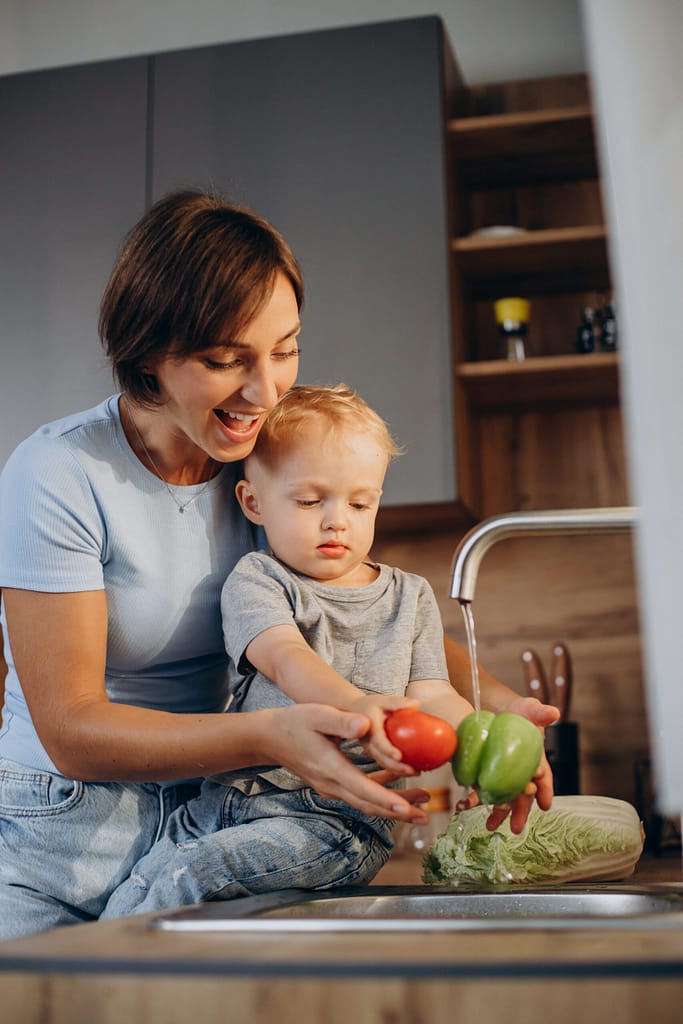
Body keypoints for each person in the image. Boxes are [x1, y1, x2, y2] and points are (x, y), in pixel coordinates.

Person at [0, 189, 557, 940]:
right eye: (225, 359)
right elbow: (72, 730)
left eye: (284, 348)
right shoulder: (58, 472)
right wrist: (272, 735)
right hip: (62, 836)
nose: (265, 391)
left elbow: (366, 606)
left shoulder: (266, 463)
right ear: (147, 357)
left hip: (214, 822)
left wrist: (493, 709)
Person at [101, 383, 481, 917]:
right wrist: (354, 705)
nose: (337, 520)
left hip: (333, 822)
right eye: (309, 501)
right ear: (253, 502)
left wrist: (483, 751)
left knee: (195, 874)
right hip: (224, 804)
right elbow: (283, 656)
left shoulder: (410, 595)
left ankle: (117, 989)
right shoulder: (258, 579)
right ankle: (106, 993)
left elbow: (434, 695)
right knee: (138, 892)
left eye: (360, 502)